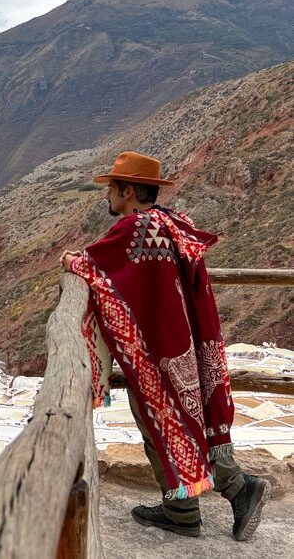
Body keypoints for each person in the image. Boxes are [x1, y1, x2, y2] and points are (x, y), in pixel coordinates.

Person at [60, 151, 270, 540]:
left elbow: (94, 266)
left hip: (160, 351)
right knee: (188, 419)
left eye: (112, 188)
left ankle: (231, 491)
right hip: (185, 342)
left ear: (127, 190)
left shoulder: (134, 229)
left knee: (163, 421)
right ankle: (181, 507)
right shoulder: (170, 223)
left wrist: (71, 260)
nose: (107, 196)